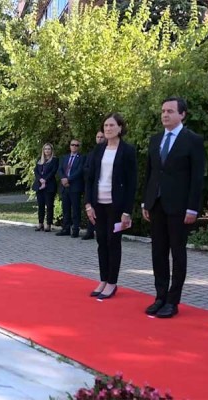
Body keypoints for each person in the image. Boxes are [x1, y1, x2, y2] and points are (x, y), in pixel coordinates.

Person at [142, 97, 205, 318]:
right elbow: (151, 173)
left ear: (182, 114)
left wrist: (193, 208)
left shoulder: (193, 140)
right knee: (158, 252)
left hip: (179, 206)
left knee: (177, 253)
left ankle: (172, 300)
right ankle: (160, 296)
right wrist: (146, 201)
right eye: (163, 111)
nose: (165, 115)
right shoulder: (156, 139)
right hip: (157, 204)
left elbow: (197, 177)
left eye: (170, 111)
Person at [85, 114, 137, 299]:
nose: (108, 128)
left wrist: (127, 211)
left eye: (112, 125)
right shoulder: (99, 149)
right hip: (98, 203)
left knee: (113, 242)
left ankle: (112, 283)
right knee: (101, 241)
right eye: (105, 125)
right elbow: (90, 178)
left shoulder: (127, 151)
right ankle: (103, 279)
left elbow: (132, 183)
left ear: (120, 128)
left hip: (116, 205)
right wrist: (88, 204)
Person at [56, 139, 85, 238]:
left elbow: (80, 171)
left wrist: (68, 179)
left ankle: (75, 229)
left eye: (76, 145)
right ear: (70, 146)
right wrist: (63, 179)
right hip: (65, 187)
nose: (74, 146)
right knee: (65, 209)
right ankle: (66, 228)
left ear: (79, 147)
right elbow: (60, 169)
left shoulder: (81, 158)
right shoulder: (64, 157)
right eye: (72, 145)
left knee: (76, 209)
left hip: (75, 187)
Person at [81, 130, 106, 240]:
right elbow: (86, 168)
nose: (99, 139)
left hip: (104, 187)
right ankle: (90, 231)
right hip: (92, 184)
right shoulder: (91, 154)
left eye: (101, 137)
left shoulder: (108, 152)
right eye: (98, 137)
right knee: (91, 208)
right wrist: (91, 173)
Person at [33, 143, 59, 232]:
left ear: (51, 150)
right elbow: (36, 171)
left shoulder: (54, 160)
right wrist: (40, 179)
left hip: (49, 185)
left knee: (49, 205)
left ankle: (48, 224)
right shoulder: (39, 160)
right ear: (43, 150)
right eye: (45, 149)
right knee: (40, 205)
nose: (47, 151)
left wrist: (45, 180)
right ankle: (40, 223)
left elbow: (53, 171)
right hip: (39, 185)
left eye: (48, 149)